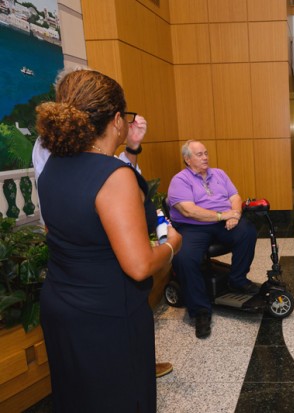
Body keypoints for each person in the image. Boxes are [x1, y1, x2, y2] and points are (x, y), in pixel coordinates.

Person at [36, 69, 182, 412]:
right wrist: (172, 245)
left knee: (77, 399)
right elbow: (139, 266)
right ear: (117, 120)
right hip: (107, 315)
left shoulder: (53, 167)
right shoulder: (115, 177)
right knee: (122, 399)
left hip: (61, 306)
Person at [167, 140, 258, 339]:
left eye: (206, 153)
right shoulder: (180, 180)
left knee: (247, 231)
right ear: (187, 159)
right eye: (199, 154)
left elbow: (235, 197)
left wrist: (235, 214)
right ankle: (200, 311)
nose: (205, 157)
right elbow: (189, 211)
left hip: (223, 221)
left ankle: (237, 280)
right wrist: (222, 215)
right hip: (192, 226)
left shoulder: (219, 174)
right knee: (184, 258)